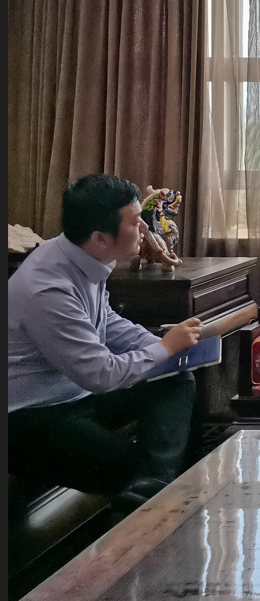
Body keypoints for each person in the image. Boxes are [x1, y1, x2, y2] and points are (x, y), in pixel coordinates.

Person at [8, 174, 202, 514]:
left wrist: (161, 345)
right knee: (131, 469)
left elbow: (107, 321)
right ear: (100, 238)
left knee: (175, 377)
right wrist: (164, 348)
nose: (144, 228)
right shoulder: (48, 288)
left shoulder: (79, 256)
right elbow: (100, 374)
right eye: (135, 222)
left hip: (75, 395)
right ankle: (150, 498)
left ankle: (153, 487)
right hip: (32, 419)